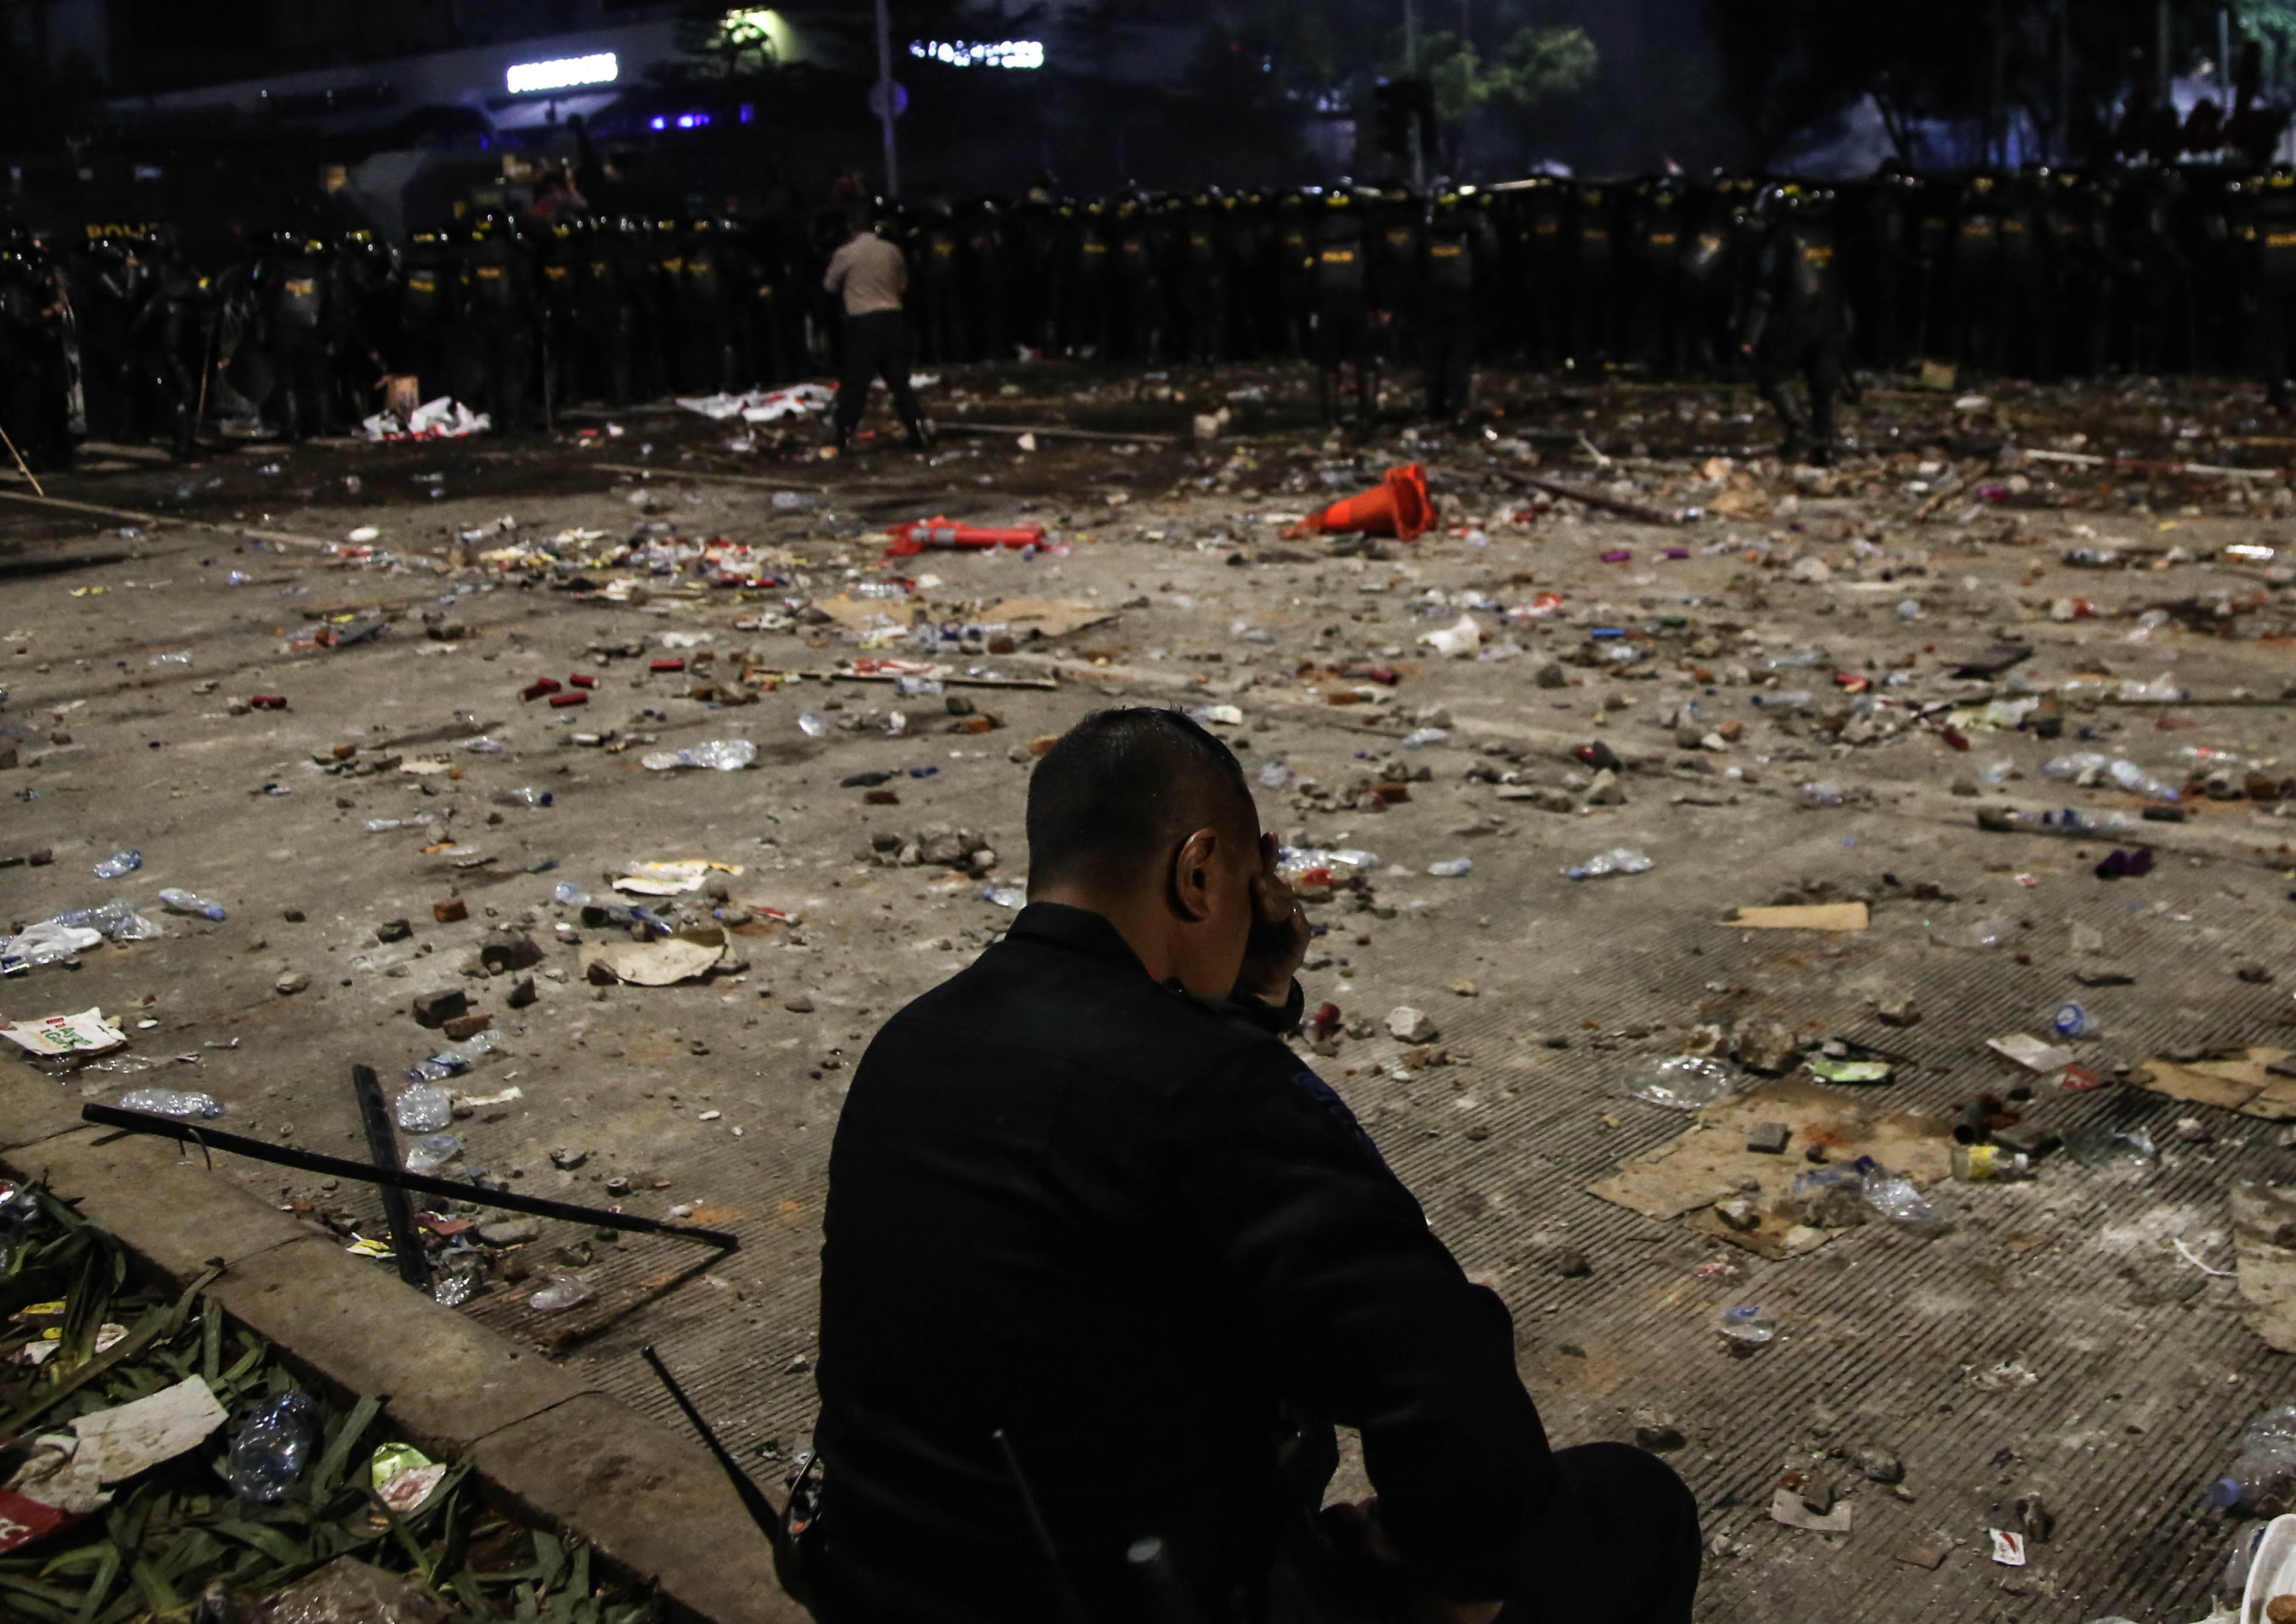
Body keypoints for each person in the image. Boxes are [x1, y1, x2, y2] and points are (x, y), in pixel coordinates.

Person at [807, 707, 1701, 1624]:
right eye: (1244, 880)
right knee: (1630, 1508)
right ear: (1198, 872)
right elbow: (1438, 1374)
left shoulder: (912, 1042)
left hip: (884, 1581)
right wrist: (1457, 1568)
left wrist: (1254, 998)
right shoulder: (1207, 1086)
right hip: (1135, 1595)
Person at [822, 206, 929, 454]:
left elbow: (829, 286)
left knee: (855, 383)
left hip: (864, 324)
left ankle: (842, 435)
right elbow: (903, 285)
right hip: (894, 319)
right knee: (899, 381)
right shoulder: (892, 251)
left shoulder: (846, 254)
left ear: (851, 228)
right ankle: (918, 429)